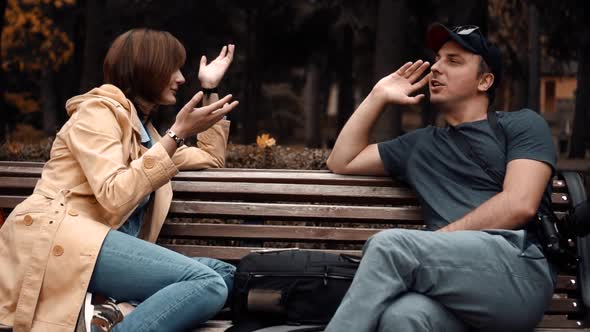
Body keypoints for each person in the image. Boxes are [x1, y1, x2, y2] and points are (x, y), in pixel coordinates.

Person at [0, 28, 239, 332]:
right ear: (146, 69)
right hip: (58, 237)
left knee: (224, 274)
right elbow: (113, 194)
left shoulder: (148, 138)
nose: (181, 79)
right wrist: (177, 134)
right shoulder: (96, 113)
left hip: (98, 248)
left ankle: (116, 311)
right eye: (173, 69)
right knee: (208, 283)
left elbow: (211, 158)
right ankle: (118, 314)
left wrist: (209, 89)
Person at [325, 23, 557, 331]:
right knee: (403, 317)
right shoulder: (419, 145)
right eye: (437, 59)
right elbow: (342, 160)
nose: (436, 68)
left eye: (453, 61)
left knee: (390, 247)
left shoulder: (521, 125)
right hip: (448, 283)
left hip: (516, 272)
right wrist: (377, 96)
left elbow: (519, 204)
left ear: (485, 81)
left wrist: (428, 245)